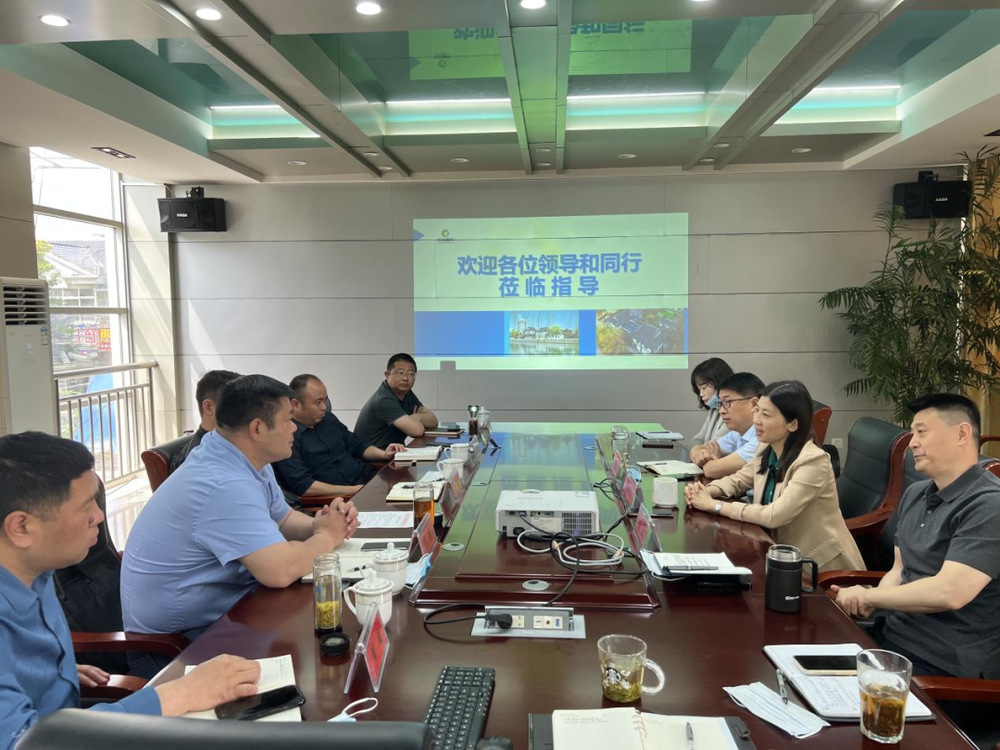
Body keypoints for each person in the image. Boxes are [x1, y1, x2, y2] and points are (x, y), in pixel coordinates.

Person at [0, 432, 261, 750]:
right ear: (21, 527)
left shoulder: (36, 571)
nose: (99, 516)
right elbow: (25, 745)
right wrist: (178, 694)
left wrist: (57, 671)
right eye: (86, 506)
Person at [121, 375, 360, 657]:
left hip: (232, 608)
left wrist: (322, 523)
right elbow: (280, 570)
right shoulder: (222, 483)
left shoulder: (245, 456)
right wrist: (328, 535)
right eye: (287, 419)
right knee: (320, 648)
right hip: (177, 644)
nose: (294, 427)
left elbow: (283, 520)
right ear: (257, 428)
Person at [832, 393, 1000, 679]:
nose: (912, 443)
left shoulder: (989, 505)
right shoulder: (916, 493)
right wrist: (870, 601)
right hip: (891, 639)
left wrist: (871, 597)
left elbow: (950, 593)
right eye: (912, 433)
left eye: (922, 432)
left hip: (943, 666)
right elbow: (900, 569)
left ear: (961, 434)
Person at [685, 380, 864, 572]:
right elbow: (739, 480)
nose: (756, 420)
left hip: (817, 567)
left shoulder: (813, 461)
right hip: (773, 554)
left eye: (766, 414)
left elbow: (775, 515)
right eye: (757, 411)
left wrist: (715, 505)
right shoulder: (767, 446)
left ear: (793, 424)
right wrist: (705, 492)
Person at [273, 374, 405, 497]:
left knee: (409, 488)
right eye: (318, 402)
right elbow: (304, 486)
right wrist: (354, 490)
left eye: (325, 400)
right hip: (340, 498)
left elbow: (357, 445)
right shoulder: (287, 437)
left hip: (366, 480)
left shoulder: (329, 420)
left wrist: (384, 454)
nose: (324, 407)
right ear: (296, 405)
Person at [354, 353, 438, 449]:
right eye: (400, 373)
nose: (405, 378)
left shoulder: (407, 393)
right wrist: (417, 421)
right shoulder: (384, 400)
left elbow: (433, 421)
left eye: (411, 374)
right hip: (374, 456)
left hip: (394, 452)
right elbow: (417, 431)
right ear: (387, 375)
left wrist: (415, 417)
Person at [689, 372, 764, 480]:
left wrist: (712, 462)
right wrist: (699, 454)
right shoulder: (737, 433)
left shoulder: (762, 438)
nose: (721, 411)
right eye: (720, 403)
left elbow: (712, 470)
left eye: (728, 402)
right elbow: (698, 448)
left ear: (754, 404)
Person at [169, 369, 241, 472]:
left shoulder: (229, 445)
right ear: (209, 407)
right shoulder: (192, 459)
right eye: (236, 405)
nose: (245, 412)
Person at [689, 357, 734, 445]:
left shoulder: (733, 411)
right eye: (699, 390)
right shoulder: (714, 409)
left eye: (704, 388)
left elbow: (714, 446)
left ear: (720, 383)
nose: (701, 394)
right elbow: (699, 439)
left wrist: (697, 450)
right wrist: (692, 449)